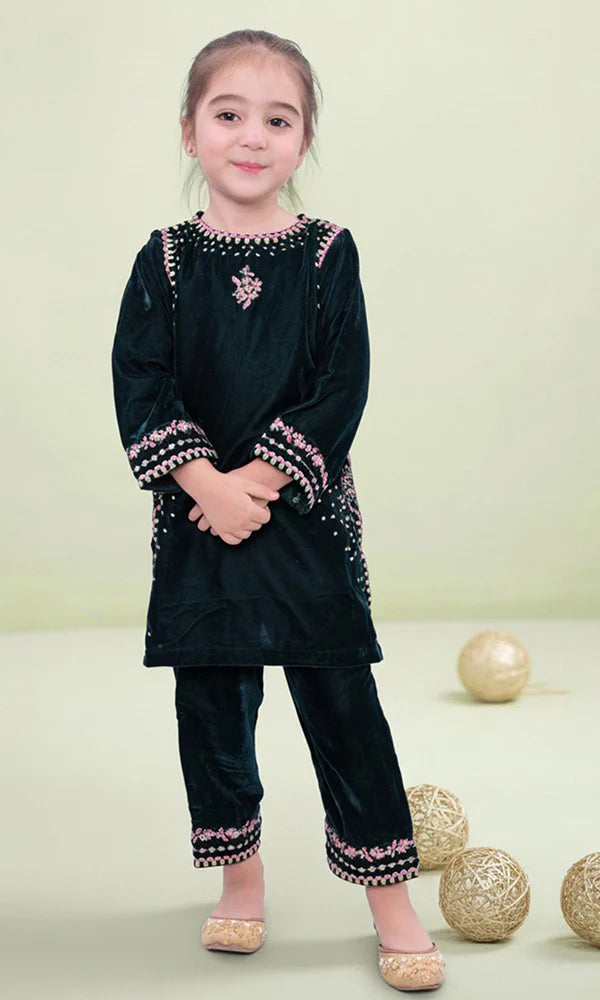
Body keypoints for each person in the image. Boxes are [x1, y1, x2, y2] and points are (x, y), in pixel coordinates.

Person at [111, 28, 445, 991]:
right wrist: (207, 487)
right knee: (215, 709)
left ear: (303, 141)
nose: (252, 136)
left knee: (344, 709)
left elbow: (344, 382)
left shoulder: (328, 255)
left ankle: (391, 901)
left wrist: (255, 483)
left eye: (278, 120)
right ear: (190, 131)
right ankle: (241, 881)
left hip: (305, 523)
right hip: (198, 527)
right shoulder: (165, 262)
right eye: (229, 115)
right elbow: (141, 382)